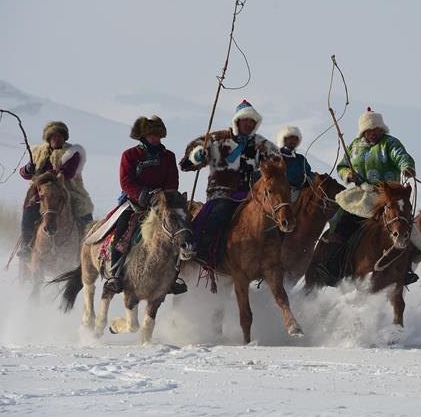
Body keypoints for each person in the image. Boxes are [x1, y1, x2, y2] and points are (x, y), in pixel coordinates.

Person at [313, 107, 419, 284]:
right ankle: (331, 267)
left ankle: (405, 268)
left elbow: (402, 157)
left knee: (404, 226)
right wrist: (349, 174)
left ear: (381, 129)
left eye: (376, 129)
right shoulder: (354, 146)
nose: (373, 133)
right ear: (363, 131)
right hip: (361, 196)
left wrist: (406, 167)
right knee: (341, 224)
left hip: (388, 196)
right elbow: (342, 166)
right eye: (369, 130)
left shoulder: (389, 143)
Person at [179, 100, 280, 268]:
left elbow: (274, 163)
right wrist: (198, 155)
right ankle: (202, 252)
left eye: (252, 121)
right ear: (237, 121)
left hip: (251, 195)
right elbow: (193, 151)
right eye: (246, 120)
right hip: (223, 193)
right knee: (218, 214)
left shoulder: (259, 145)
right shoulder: (219, 139)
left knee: (276, 220)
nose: (249, 124)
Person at [104, 116, 183, 294]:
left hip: (161, 204)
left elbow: (172, 181)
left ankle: (173, 276)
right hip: (135, 203)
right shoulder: (130, 155)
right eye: (151, 135)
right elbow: (126, 182)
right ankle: (116, 275)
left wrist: (164, 197)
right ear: (143, 136)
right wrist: (145, 195)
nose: (155, 138)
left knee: (179, 230)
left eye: (158, 135)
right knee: (122, 232)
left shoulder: (168, 157)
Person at [18, 121, 94, 258]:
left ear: (64, 138)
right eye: (53, 136)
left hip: (67, 190)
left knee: (85, 215)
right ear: (48, 138)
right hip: (41, 192)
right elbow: (24, 173)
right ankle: (27, 246)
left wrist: (42, 175)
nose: (56, 139)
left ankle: (86, 250)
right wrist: (28, 169)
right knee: (28, 211)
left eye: (59, 136)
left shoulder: (72, 152)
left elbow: (67, 173)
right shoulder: (39, 152)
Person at [276, 125, 315, 192]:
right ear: (284, 139)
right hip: (278, 192)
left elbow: (309, 174)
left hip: (298, 193)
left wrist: (318, 178)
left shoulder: (301, 159)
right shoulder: (275, 156)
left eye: (296, 138)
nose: (293, 140)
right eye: (291, 137)